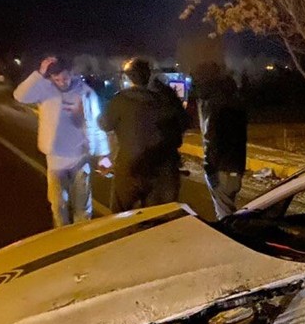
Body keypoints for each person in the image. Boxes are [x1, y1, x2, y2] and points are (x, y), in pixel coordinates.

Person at [12, 55, 111, 227]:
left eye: (65, 77)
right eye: (56, 79)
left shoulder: (86, 93)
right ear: (51, 78)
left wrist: (104, 154)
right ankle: (62, 238)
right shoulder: (45, 90)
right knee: (59, 206)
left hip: (80, 157)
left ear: (72, 73)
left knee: (83, 206)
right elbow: (19, 95)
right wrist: (39, 73)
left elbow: (96, 124)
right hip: (55, 159)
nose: (61, 82)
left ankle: (83, 241)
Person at [97, 58, 187, 212]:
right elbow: (183, 124)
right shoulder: (167, 99)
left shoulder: (121, 100)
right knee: (158, 218)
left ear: (129, 78)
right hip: (163, 170)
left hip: (130, 167)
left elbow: (105, 124)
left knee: (120, 217)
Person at [188, 62, 248, 218]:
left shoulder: (214, 105)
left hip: (221, 169)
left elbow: (212, 138)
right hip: (236, 166)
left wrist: (210, 169)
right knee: (228, 209)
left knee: (225, 217)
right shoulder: (233, 99)